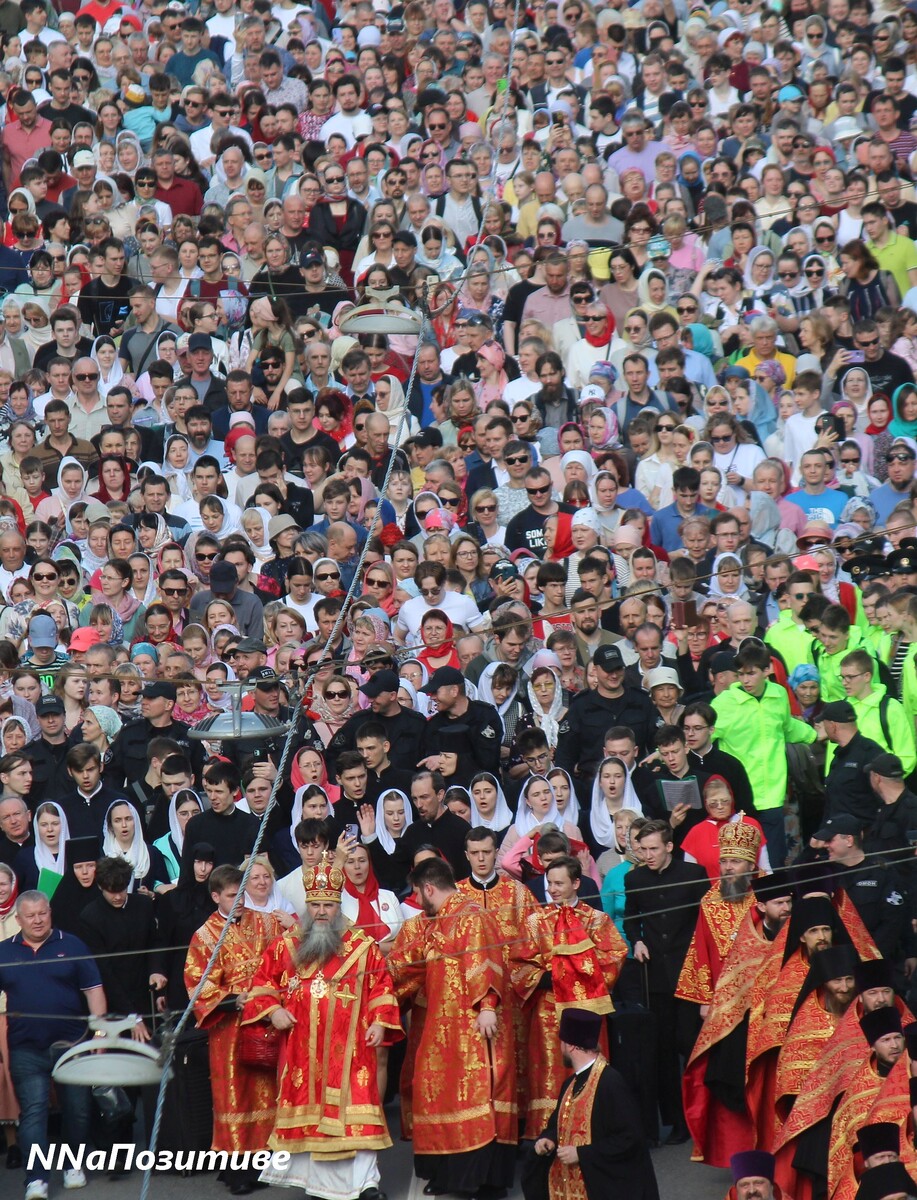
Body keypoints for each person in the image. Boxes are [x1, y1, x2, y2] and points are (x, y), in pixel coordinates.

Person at [242, 853, 403, 1200]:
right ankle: (316, 1186)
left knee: (357, 1114)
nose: (320, 912)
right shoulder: (286, 946)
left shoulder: (363, 948)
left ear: (337, 904)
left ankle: (365, 1184)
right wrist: (273, 1011)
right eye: (315, 904)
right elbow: (260, 986)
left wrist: (379, 1021)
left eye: (328, 905)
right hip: (303, 1054)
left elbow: (382, 989)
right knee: (309, 1119)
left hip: (353, 1052)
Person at [389, 856, 518, 1198]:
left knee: (477, 1096)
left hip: (472, 1028)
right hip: (440, 1030)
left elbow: (483, 960)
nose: (419, 903)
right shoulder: (438, 922)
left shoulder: (470, 915)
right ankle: (449, 1174)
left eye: (419, 895)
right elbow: (409, 965)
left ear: (429, 888)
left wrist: (487, 1006)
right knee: (437, 1095)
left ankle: (481, 1180)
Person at [510, 854, 628, 1139]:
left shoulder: (596, 920)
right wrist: (544, 977)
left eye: (560, 883)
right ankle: (548, 1134)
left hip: (587, 1009)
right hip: (548, 1011)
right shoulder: (536, 922)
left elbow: (614, 955)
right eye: (550, 883)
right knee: (549, 1075)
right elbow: (519, 963)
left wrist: (576, 973)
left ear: (576, 883)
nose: (553, 889)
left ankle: (592, 1131)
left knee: (588, 1069)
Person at [0, 890, 106, 1200]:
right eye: (30, 915)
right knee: (33, 1114)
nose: (37, 920)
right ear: (17, 920)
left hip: (72, 1045)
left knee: (79, 1110)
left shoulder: (72, 945)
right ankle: (36, 1179)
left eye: (42, 913)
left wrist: (100, 1035)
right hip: (25, 1047)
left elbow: (94, 992)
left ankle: (73, 1165)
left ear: (50, 913)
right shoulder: (3, 952)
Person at [184, 865, 280, 1196]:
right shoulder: (205, 936)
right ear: (215, 896)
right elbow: (197, 985)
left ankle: (267, 1162)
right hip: (229, 1032)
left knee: (267, 1089)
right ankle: (236, 1170)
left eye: (242, 894)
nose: (239, 901)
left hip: (266, 1022)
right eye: (230, 896)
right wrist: (232, 999)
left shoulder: (267, 923)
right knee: (235, 1096)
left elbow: (282, 963)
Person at [623, 819, 709, 1144]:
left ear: (669, 847)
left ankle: (701, 1116)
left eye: (654, 848)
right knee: (661, 1052)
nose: (648, 855)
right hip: (655, 977)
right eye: (642, 849)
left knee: (690, 1046)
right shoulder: (634, 879)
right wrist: (637, 940)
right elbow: (631, 919)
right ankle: (675, 1121)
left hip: (688, 976)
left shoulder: (693, 875)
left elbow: (706, 921)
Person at [524, 1007, 660, 1200]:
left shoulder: (610, 1083)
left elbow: (630, 1139)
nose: (560, 1047)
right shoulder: (569, 1084)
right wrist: (548, 1139)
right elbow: (557, 1124)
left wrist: (582, 1154)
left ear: (571, 1046)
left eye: (562, 1042)